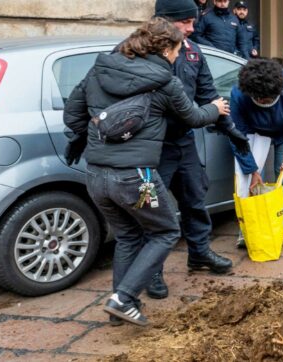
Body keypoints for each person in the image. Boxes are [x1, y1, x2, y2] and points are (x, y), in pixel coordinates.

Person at [64, 18, 230, 326]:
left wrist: (103, 141)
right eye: (177, 51)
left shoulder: (99, 70)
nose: (179, 56)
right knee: (165, 231)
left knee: (128, 236)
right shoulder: (165, 81)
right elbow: (193, 117)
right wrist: (216, 109)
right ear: (165, 48)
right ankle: (123, 298)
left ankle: (119, 313)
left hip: (97, 175)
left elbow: (73, 115)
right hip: (135, 177)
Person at [146, 0, 251, 300]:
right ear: (165, 21)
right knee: (152, 210)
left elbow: (208, 94)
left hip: (184, 142)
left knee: (195, 197)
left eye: (194, 22)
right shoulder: (141, 51)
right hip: (153, 146)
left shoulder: (193, 51)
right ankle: (151, 270)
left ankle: (199, 252)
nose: (193, 29)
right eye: (186, 23)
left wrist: (230, 129)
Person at [230, 59, 283, 247]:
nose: (263, 103)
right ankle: (248, 227)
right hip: (252, 132)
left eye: (267, 100)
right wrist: (252, 170)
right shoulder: (239, 94)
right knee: (248, 178)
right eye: (259, 101)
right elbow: (237, 135)